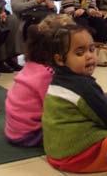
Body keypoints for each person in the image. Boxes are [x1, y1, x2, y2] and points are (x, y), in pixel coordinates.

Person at [42, 24, 107, 173]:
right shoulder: (84, 86)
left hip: (56, 154)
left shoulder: (57, 80)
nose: (89, 56)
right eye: (80, 53)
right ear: (60, 59)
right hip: (78, 156)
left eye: (92, 49)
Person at [5, 14, 74, 147]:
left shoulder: (32, 65)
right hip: (30, 135)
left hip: (14, 131)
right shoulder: (48, 75)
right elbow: (59, 109)